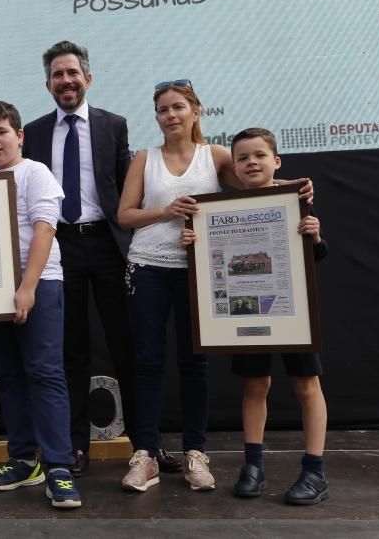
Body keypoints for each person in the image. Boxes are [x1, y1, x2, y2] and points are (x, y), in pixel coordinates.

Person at [21, 40, 152, 476]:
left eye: (72, 73)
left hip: (109, 248)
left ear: (88, 79)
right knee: (69, 352)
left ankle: (145, 447)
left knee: (127, 347)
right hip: (58, 248)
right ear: (48, 85)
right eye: (57, 75)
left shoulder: (113, 125)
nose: (66, 81)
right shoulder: (34, 132)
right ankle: (73, 447)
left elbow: (126, 188)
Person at [116, 80, 236, 494]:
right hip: (147, 267)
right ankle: (146, 455)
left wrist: (291, 192)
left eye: (178, 107)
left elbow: (257, 189)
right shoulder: (144, 159)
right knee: (147, 362)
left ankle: (195, 453)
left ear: (195, 111)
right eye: (163, 110)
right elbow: (124, 216)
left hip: (199, 271)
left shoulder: (216, 156)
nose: (170, 115)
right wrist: (166, 211)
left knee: (194, 362)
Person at [0, 101, 81, 510]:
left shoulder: (37, 172)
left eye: (1, 131)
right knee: (10, 375)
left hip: (40, 284)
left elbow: (45, 229)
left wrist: (28, 287)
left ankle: (58, 467)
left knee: (45, 372)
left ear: (19, 136)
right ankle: (23, 459)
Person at [214, 128, 330, 506]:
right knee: (254, 385)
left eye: (259, 155)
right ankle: (253, 466)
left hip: (293, 309)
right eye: (243, 158)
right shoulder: (222, 210)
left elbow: (314, 256)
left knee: (306, 385)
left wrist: (314, 236)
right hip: (247, 308)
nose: (251, 163)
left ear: (275, 161)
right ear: (234, 166)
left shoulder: (296, 201)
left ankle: (315, 471)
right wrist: (195, 243)